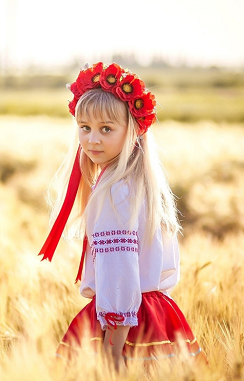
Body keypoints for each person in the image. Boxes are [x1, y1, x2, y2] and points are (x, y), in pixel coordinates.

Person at [38, 62, 207, 371]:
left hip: (122, 329)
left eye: (106, 128)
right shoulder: (139, 184)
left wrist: (113, 356)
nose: (92, 140)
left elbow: (120, 274)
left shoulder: (114, 192)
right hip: (158, 317)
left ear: (132, 130)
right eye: (84, 127)